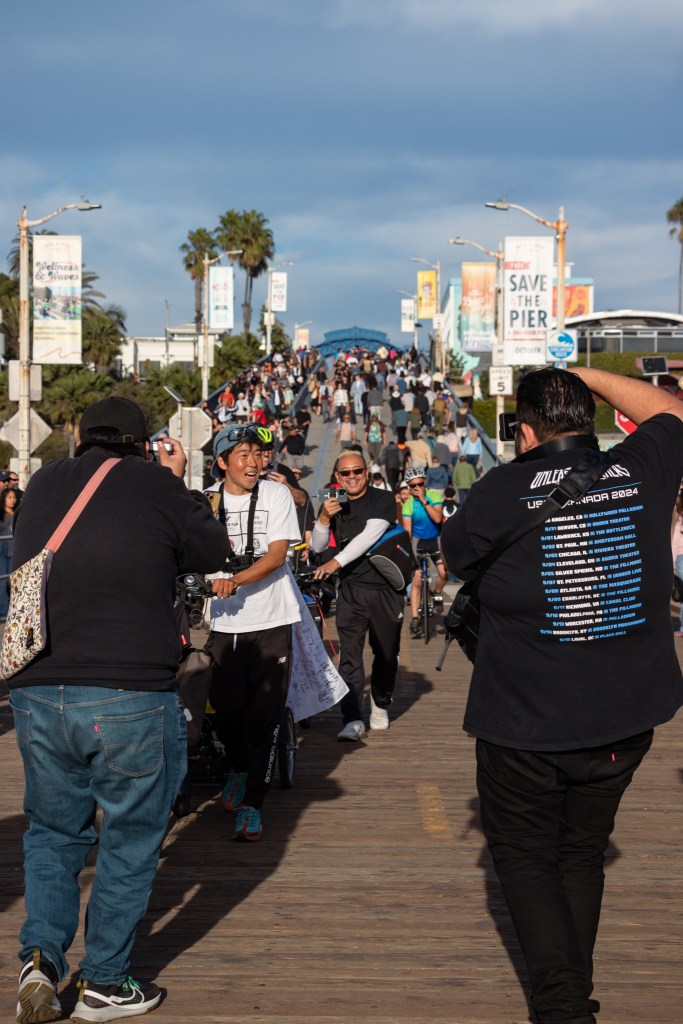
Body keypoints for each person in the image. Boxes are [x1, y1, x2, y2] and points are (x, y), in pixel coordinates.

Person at [441, 366, 683, 1024]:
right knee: (580, 851)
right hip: (624, 717)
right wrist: (582, 372)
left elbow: (456, 558)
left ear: (523, 433)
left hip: (523, 722)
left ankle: (562, 1007)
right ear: (593, 418)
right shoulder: (641, 466)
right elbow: (670, 408)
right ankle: (570, 993)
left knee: (523, 857)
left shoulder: (496, 491)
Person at [8, 396, 229, 1024]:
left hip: (39, 688)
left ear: (80, 437)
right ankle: (105, 982)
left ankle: (42, 962)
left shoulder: (45, 482)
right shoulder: (157, 485)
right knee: (130, 839)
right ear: (143, 443)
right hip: (129, 692)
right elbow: (214, 553)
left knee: (53, 833)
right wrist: (181, 481)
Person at [205, 424, 301, 842]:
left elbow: (278, 556)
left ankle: (254, 803)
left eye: (255, 453)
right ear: (222, 462)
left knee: (266, 716)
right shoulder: (206, 502)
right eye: (240, 454)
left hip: (271, 619)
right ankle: (240, 771)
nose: (251, 461)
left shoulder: (277, 494)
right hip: (224, 623)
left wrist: (235, 580)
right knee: (225, 712)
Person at [311, 452, 403, 740]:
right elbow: (317, 546)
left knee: (386, 654)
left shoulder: (383, 499)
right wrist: (324, 518)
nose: (352, 477)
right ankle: (351, 718)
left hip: (385, 590)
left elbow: (369, 536)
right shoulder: (333, 502)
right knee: (349, 658)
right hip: (351, 590)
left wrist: (335, 562)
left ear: (367, 471)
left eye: (357, 471)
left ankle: (380, 703)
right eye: (345, 473)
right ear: (337, 477)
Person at [401, 467, 446, 638]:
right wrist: (410, 558)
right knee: (417, 579)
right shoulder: (408, 505)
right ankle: (414, 618)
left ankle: (437, 593)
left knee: (444, 573)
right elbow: (407, 533)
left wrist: (424, 500)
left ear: (425, 482)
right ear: (408, 487)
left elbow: (437, 518)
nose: (417, 488)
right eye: (413, 486)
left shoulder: (434, 497)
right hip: (418, 543)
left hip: (435, 540)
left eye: (420, 484)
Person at [0, 486, 20, 621]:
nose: (12, 500)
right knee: (2, 583)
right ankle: (3, 613)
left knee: (15, 583)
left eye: (14, 497)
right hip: (2, 552)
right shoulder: (1, 515)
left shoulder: (18, 514)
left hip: (15, 551)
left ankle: (15, 612)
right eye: (9, 497)